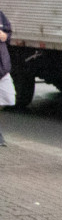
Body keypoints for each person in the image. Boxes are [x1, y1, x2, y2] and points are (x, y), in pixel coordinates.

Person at [0, 9, 12, 146]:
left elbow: (9, 33)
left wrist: (5, 36)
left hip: (2, 66)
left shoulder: (0, 14)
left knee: (8, 97)